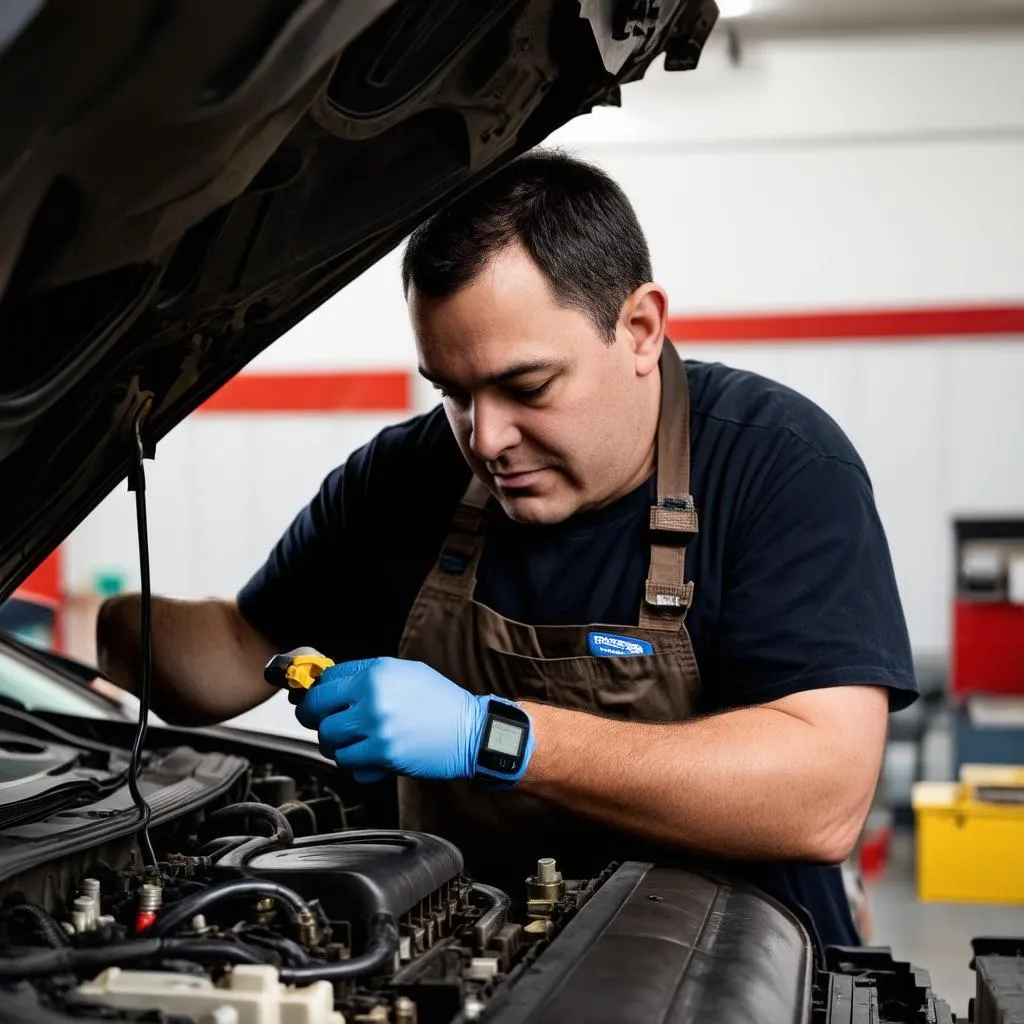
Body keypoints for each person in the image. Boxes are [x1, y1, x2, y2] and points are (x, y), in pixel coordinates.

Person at [97, 151, 917, 950]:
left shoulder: (777, 465)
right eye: (452, 392)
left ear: (639, 328)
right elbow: (242, 646)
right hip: (472, 966)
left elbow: (821, 793)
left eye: (527, 389)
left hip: (731, 974)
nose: (485, 440)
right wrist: (119, 624)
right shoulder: (401, 479)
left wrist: (492, 735)